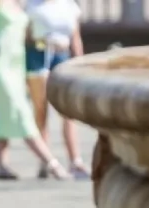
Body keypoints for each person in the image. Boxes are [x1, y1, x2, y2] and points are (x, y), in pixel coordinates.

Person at [0, 0, 70, 180]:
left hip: (18, 63)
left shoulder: (21, 3)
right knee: (20, 111)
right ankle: (51, 162)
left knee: (1, 110)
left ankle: (2, 165)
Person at [25, 0, 90, 179]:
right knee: (41, 109)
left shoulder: (69, 5)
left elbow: (75, 37)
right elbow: (25, 35)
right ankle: (46, 160)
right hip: (38, 54)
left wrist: (81, 64)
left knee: (68, 112)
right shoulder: (31, 5)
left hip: (62, 54)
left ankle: (75, 161)